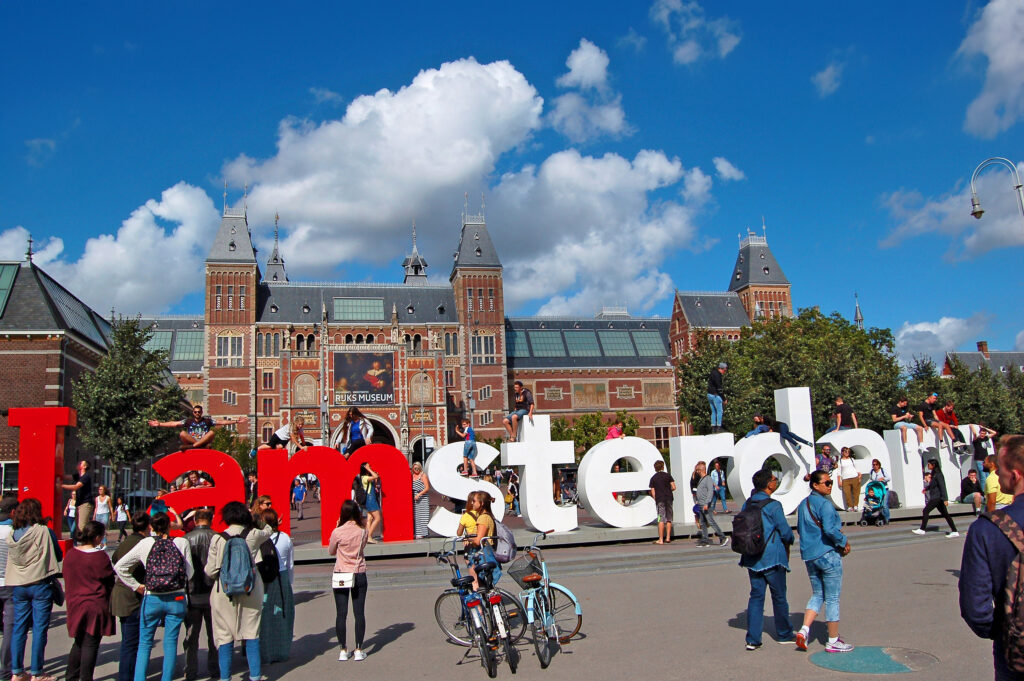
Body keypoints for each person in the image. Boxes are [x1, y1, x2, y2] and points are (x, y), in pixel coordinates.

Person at [959, 434, 1024, 681]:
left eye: (1000, 469)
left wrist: (1006, 631)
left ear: (1015, 475)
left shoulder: (988, 529)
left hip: (1015, 657)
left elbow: (976, 609)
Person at [114, 511, 193, 681]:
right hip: (176, 598)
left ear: (151, 526)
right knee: (171, 642)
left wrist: (137, 586)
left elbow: (120, 567)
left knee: (145, 643)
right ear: (170, 525)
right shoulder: (181, 542)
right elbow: (190, 572)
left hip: (151, 597)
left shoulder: (145, 543)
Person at [204, 501, 271, 681]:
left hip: (223, 591)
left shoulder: (217, 538)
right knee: (251, 633)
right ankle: (255, 676)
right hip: (251, 588)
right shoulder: (253, 534)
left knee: (224, 636)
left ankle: (225, 677)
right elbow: (270, 530)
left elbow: (210, 571)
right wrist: (257, 518)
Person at [795, 470, 852, 653]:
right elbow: (829, 530)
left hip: (810, 556)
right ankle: (833, 640)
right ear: (815, 485)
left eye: (831, 482)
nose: (830, 486)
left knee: (818, 593)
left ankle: (804, 630)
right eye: (826, 483)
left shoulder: (804, 504)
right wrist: (844, 542)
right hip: (827, 554)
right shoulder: (825, 505)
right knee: (833, 598)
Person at [7, 497, 63, 681]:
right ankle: (37, 673)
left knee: (19, 629)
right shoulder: (44, 531)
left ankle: (16, 671)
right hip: (40, 584)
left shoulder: (13, 534)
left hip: (19, 585)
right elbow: (58, 554)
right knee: (39, 629)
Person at [741, 469, 795, 650]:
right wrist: (790, 540)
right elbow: (785, 531)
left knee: (756, 597)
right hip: (772, 556)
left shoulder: (747, 504)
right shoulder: (774, 505)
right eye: (774, 479)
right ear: (769, 484)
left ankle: (753, 639)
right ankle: (784, 633)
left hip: (751, 556)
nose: (776, 481)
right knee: (779, 596)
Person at [63, 520, 116, 681]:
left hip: (75, 603)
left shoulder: (71, 554)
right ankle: (86, 677)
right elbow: (109, 581)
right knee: (90, 644)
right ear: (98, 537)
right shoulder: (100, 557)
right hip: (95, 604)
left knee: (78, 642)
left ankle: (71, 676)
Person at [111, 513, 150, 681]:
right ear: (148, 526)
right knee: (132, 643)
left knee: (129, 641)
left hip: (121, 594)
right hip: (133, 596)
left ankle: (129, 674)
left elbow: (114, 559)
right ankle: (127, 676)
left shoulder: (126, 542)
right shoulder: (142, 543)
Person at [329, 500, 369, 662]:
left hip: (341, 573)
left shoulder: (337, 532)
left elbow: (331, 551)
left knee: (341, 613)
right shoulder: (362, 531)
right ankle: (359, 649)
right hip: (358, 571)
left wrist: (338, 527)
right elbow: (362, 547)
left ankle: (343, 649)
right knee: (359, 613)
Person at [182, 508, 218, 681]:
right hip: (213, 592)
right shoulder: (217, 538)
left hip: (192, 592)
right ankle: (215, 668)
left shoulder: (185, 539)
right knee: (215, 635)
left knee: (191, 636)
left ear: (195, 520)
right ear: (210, 520)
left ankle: (191, 670)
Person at [259, 509, 294, 664]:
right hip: (282, 576)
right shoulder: (285, 538)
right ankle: (282, 651)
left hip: (264, 579)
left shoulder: (259, 539)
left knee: (265, 617)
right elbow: (290, 563)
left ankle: (265, 654)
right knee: (283, 615)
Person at [148, 404, 245, 451]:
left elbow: (221, 422)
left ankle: (195, 446)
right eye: (195, 412)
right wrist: (160, 424)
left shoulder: (207, 421)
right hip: (193, 440)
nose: (197, 413)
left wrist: (236, 421)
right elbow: (174, 423)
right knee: (182, 433)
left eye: (199, 412)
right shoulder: (188, 421)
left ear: (201, 413)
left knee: (211, 433)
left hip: (203, 440)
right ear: (193, 413)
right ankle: (197, 445)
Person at [458, 491, 500, 589]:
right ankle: (489, 603)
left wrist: (468, 538)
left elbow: (478, 540)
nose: (472, 503)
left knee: (479, 583)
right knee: (486, 586)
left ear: (481, 503)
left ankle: (482, 604)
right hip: (488, 553)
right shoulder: (487, 516)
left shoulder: (483, 518)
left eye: (474, 501)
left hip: (484, 554)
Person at [911, 459, 958, 537]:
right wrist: (926, 488)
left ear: (933, 465)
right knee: (945, 514)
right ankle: (954, 531)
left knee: (926, 511)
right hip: (937, 497)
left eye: (929, 464)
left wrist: (945, 499)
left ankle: (922, 529)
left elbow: (942, 486)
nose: (928, 466)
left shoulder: (939, 474)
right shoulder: (934, 474)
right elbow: (933, 484)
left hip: (937, 497)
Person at [0, 496, 17, 681]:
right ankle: (5, 671)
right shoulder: (14, 532)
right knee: (9, 630)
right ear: (13, 512)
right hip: (10, 584)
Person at [693, 461, 729, 547]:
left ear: (701, 470)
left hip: (705, 505)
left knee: (710, 521)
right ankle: (705, 540)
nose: (697, 472)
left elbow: (710, 491)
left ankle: (722, 537)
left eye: (697, 470)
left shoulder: (708, 479)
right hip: (701, 504)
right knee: (703, 523)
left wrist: (707, 503)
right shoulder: (702, 479)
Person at [61, 460, 93, 538]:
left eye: (81, 463)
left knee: (81, 526)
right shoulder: (78, 476)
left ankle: (90, 543)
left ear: (85, 467)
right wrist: (62, 464)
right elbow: (64, 476)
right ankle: (85, 543)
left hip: (85, 504)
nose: (78, 463)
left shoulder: (86, 477)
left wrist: (61, 486)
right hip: (79, 504)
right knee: (78, 528)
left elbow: (76, 487)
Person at [649, 460, 676, 545]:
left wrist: (656, 498)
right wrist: (668, 490)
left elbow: (653, 492)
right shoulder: (668, 476)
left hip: (660, 499)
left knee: (660, 519)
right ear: (663, 467)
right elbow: (674, 487)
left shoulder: (653, 478)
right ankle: (668, 537)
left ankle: (661, 539)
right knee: (669, 518)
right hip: (669, 498)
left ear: (655, 468)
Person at [359, 463, 382, 543]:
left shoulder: (367, 477)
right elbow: (375, 476)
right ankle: (369, 536)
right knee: (377, 518)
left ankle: (367, 536)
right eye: (368, 466)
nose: (370, 467)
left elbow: (375, 480)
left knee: (369, 519)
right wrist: (369, 469)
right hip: (371, 499)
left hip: (371, 498)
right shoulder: (364, 477)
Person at [836, 447, 861, 512]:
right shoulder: (840, 461)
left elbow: (857, 468)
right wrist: (839, 480)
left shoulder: (852, 459)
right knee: (847, 493)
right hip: (845, 478)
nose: (847, 453)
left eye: (848, 451)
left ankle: (856, 506)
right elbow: (839, 471)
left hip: (854, 476)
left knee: (856, 492)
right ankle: (850, 506)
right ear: (842, 452)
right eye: (845, 451)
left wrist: (859, 476)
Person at [412, 462, 430, 539]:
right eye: (415, 468)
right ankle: (418, 533)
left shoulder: (423, 476)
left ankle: (423, 533)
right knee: (416, 516)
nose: (416, 469)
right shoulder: (412, 476)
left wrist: (419, 494)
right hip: (415, 499)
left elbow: (427, 488)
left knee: (423, 516)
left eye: (418, 468)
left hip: (422, 498)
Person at [707, 362, 727, 433]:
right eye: (724, 370)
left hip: (709, 395)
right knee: (719, 411)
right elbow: (719, 389)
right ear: (721, 369)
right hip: (716, 395)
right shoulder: (718, 376)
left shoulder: (713, 373)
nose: (725, 372)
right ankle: (719, 427)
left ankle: (713, 427)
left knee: (713, 411)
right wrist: (724, 399)